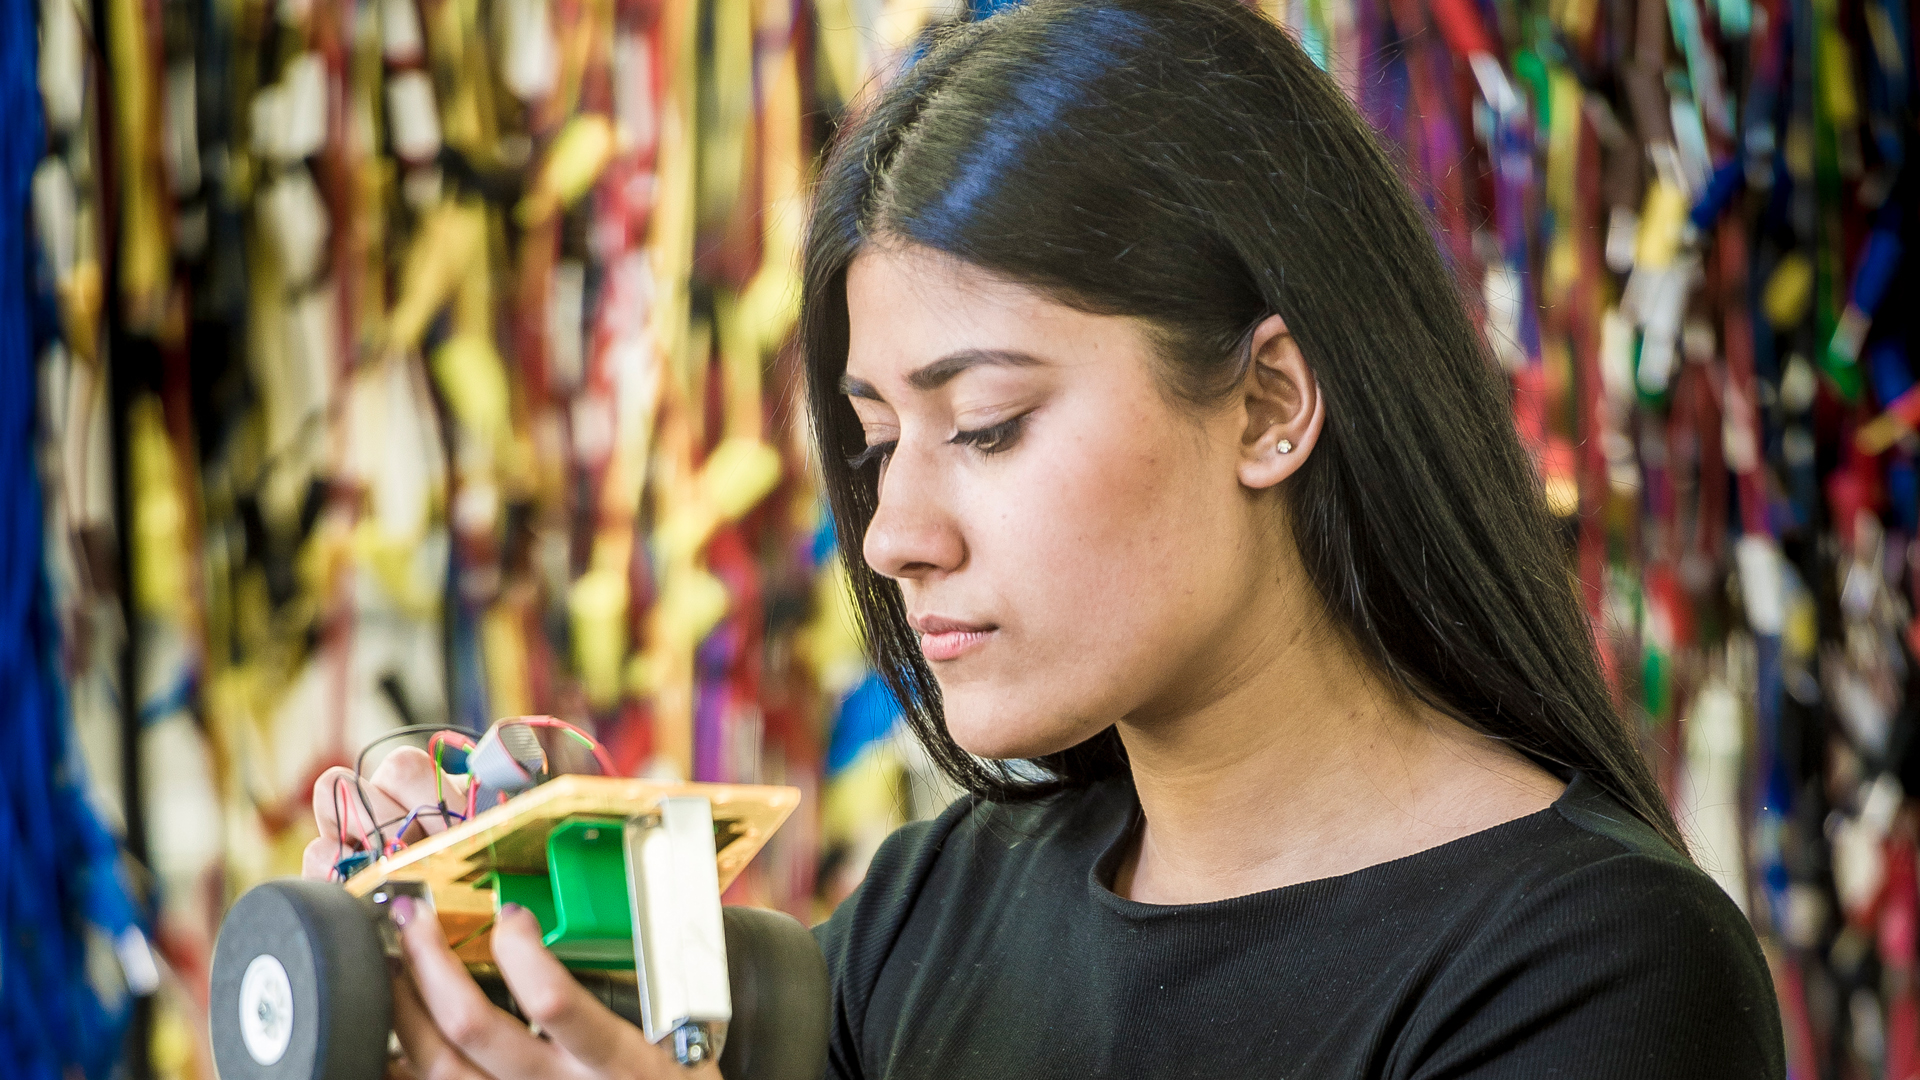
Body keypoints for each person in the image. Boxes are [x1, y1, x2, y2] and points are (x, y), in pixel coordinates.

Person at [307, 0, 1788, 1076]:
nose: (891, 533)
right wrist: (525, 964)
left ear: (1269, 403)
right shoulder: (924, 913)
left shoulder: (1597, 973)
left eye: (991, 423)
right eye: (877, 439)